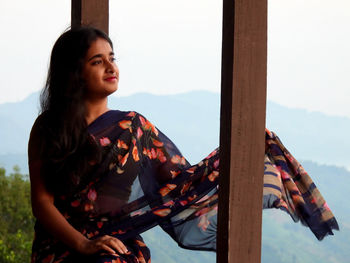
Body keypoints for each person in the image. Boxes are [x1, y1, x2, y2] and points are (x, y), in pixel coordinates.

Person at [28, 26, 338, 263]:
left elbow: (181, 185)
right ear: (74, 72)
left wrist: (240, 155)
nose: (111, 67)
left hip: (114, 245)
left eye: (112, 58)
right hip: (58, 246)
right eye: (98, 61)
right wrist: (81, 243)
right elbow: (42, 202)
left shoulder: (133, 128)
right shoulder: (49, 128)